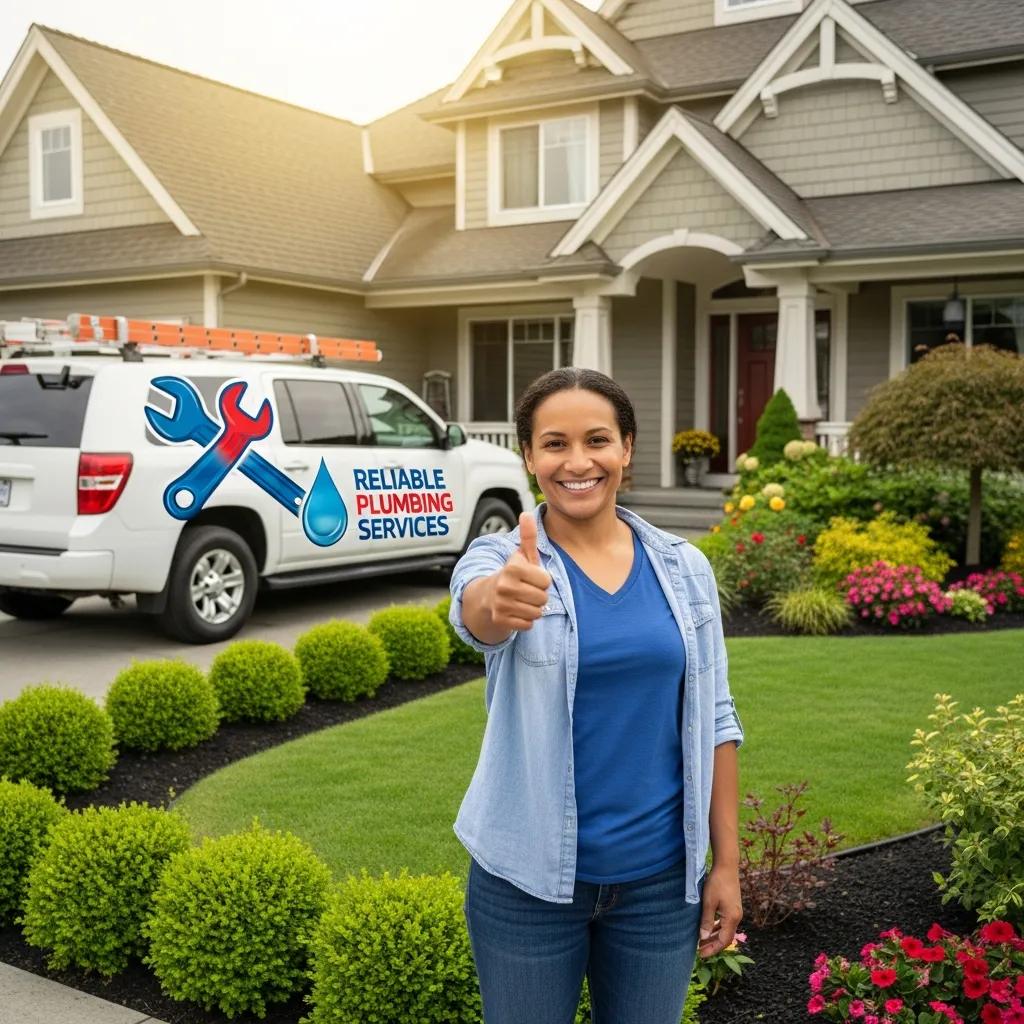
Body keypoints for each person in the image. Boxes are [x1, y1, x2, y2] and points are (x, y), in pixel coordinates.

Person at [448, 367, 746, 1024]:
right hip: (525, 885)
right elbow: (476, 613)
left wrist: (725, 865)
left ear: (627, 448)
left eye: (597, 441)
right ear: (528, 457)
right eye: (554, 444)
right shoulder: (505, 559)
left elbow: (717, 718)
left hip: (659, 888)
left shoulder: (684, 567)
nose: (577, 462)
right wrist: (498, 601)